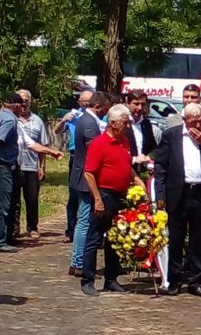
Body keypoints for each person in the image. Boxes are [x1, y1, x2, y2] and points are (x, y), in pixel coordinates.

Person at [155, 103, 201, 298]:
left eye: (200, 120)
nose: (198, 125)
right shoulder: (171, 135)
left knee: (199, 239)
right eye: (194, 121)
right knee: (176, 238)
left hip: (200, 192)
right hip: (178, 192)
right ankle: (174, 281)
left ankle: (195, 281)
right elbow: (161, 167)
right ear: (185, 120)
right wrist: (160, 196)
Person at [80, 104, 145, 296]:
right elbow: (89, 174)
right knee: (94, 238)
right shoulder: (99, 144)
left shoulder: (124, 142)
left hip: (121, 196)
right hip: (105, 195)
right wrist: (98, 199)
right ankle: (88, 279)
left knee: (115, 239)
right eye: (125, 123)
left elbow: (126, 165)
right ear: (113, 123)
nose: (128, 126)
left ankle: (111, 278)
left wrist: (137, 179)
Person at [69, 91, 111, 277]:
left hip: (82, 176)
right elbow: (95, 150)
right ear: (99, 107)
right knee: (84, 221)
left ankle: (79, 261)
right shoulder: (89, 123)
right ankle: (78, 262)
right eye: (106, 110)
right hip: (85, 179)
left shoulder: (86, 120)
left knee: (84, 220)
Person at [54, 90, 93, 242]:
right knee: (74, 194)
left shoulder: (98, 117)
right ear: (79, 103)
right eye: (84, 102)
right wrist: (64, 120)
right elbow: (56, 131)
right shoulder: (74, 116)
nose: (87, 105)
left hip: (91, 156)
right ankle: (71, 230)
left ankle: (87, 230)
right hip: (75, 156)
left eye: (89, 102)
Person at [10, 89, 49, 239]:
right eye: (21, 100)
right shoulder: (11, 120)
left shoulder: (37, 121)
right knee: (14, 200)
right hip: (15, 166)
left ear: (31, 102)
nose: (24, 103)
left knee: (32, 199)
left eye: (27, 100)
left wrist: (42, 166)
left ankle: (32, 227)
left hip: (32, 166)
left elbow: (41, 145)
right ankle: (14, 229)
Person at [0, 93, 24, 252]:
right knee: (4, 203)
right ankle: (1, 240)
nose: (22, 109)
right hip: (4, 165)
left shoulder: (0, 115)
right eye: (21, 105)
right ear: (15, 105)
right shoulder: (9, 119)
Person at [124, 91, 156, 172]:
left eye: (143, 104)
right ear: (127, 104)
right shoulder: (121, 122)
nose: (140, 108)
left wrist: (149, 158)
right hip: (125, 170)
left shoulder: (146, 123)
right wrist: (134, 159)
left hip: (142, 172)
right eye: (136, 104)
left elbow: (153, 147)